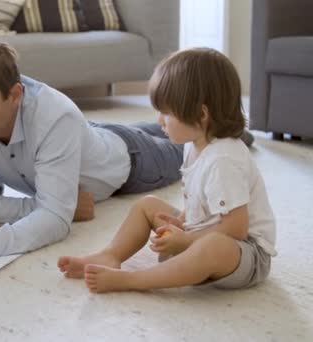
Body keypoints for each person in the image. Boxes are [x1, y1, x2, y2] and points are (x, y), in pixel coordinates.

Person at [0, 40, 185, 265]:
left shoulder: (55, 117)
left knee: (192, 137)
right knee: (157, 125)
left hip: (134, 162)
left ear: (15, 95)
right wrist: (52, 207)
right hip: (87, 135)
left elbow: (55, 221)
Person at [57, 48, 276, 293]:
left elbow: (236, 228)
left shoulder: (224, 159)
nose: (159, 120)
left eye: (167, 112)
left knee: (214, 245)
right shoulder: (193, 145)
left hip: (245, 251)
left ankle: (134, 280)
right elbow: (199, 198)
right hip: (203, 231)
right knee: (147, 205)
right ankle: (110, 255)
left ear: (202, 115)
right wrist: (181, 220)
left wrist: (185, 239)